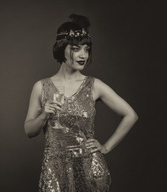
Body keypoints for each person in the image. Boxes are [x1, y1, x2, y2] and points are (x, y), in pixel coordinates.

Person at [24, 14, 138, 192]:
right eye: (76, 49)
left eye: (86, 49)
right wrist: (44, 115)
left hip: (90, 170)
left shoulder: (94, 86)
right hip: (55, 172)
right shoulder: (41, 87)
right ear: (62, 48)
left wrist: (106, 147)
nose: (83, 55)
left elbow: (131, 115)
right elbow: (29, 131)